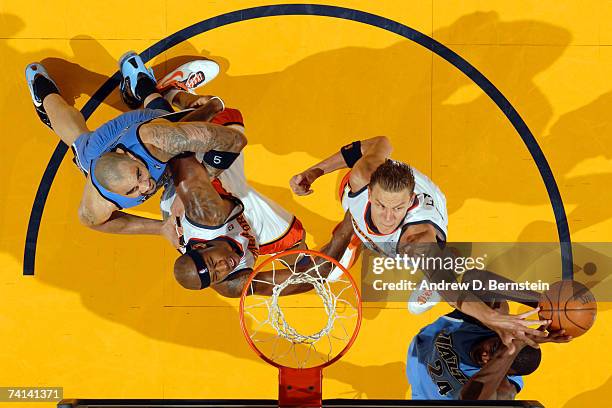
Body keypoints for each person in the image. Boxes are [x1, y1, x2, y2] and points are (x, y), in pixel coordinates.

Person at [290, 137, 549, 351]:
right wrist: (313, 172)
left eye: (398, 208)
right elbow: (380, 141)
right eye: (381, 206)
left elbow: (450, 290)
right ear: (369, 192)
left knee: (429, 270)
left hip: (425, 227)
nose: (389, 217)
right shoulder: (362, 174)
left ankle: (440, 260)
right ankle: (356, 236)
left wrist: (492, 318)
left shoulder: (417, 238)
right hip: (381, 187)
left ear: (410, 200)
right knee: (357, 220)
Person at [25, 52, 243, 247]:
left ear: (127, 155)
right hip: (96, 149)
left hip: (147, 127)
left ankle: (161, 89)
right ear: (114, 195)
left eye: (139, 174)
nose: (146, 186)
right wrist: (160, 228)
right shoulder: (98, 204)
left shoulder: (159, 141)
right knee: (76, 138)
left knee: (169, 123)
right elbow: (93, 222)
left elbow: (232, 136)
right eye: (132, 191)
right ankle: (43, 90)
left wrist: (202, 176)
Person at [167, 152, 353, 297]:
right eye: (217, 275)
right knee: (293, 239)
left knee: (228, 121)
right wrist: (350, 223)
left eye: (213, 262)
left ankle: (178, 102)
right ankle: (311, 255)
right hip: (248, 226)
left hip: (216, 189)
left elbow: (180, 154)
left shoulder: (204, 214)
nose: (224, 267)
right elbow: (310, 278)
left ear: (200, 246)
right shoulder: (230, 283)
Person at [407, 302, 572, 400]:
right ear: (498, 335)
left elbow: (474, 399)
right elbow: (477, 277)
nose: (486, 356)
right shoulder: (487, 326)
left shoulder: (505, 386)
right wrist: (544, 304)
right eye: (494, 347)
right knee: (468, 290)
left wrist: (511, 351)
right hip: (421, 348)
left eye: (494, 360)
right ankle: (440, 282)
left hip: (423, 395)